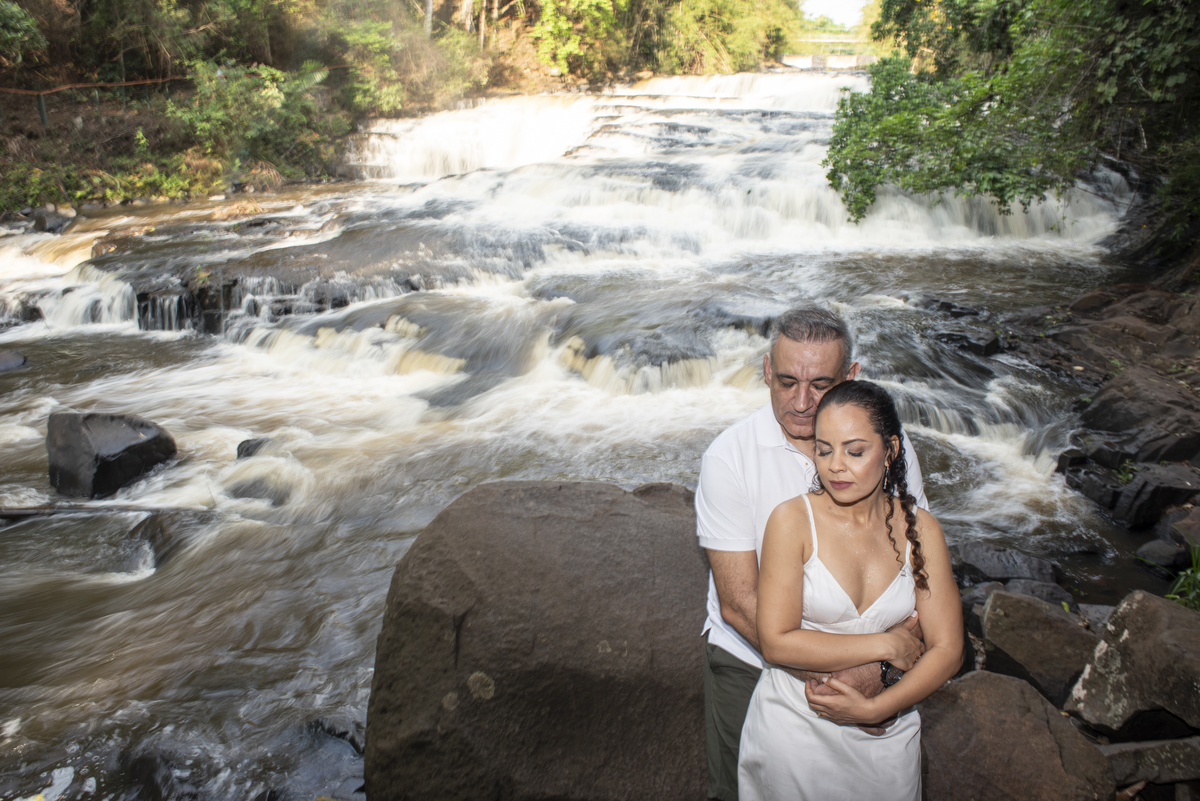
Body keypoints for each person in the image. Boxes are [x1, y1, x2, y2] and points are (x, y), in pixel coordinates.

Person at [695, 306, 927, 801]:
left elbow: (921, 565)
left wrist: (883, 674)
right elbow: (739, 604)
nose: (801, 403)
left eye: (821, 385)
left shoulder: (888, 448)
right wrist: (854, 677)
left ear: (852, 377)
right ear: (765, 370)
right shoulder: (729, 459)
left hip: (878, 659)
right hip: (752, 660)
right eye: (786, 382)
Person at [737, 380, 962, 800]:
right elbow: (776, 641)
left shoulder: (922, 530)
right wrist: (885, 645)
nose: (836, 466)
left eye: (855, 451)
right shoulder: (791, 522)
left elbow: (948, 649)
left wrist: (876, 708)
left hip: (889, 745)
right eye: (824, 450)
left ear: (890, 450)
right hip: (794, 736)